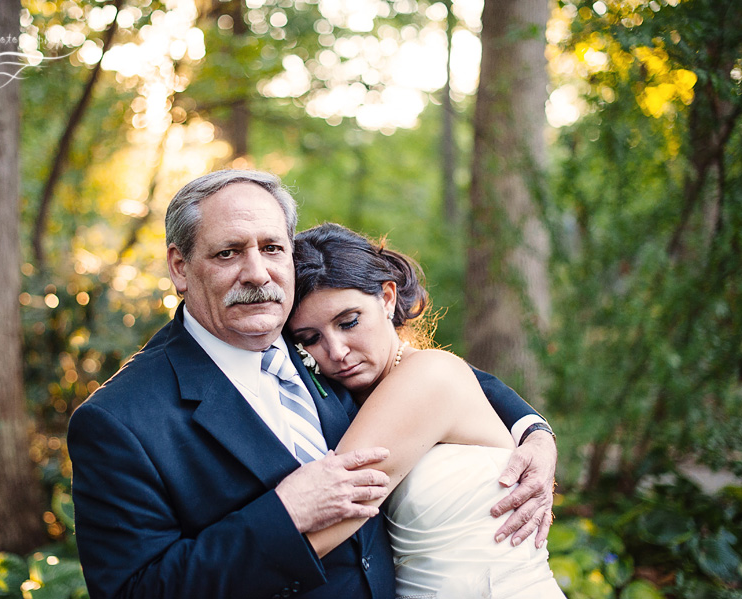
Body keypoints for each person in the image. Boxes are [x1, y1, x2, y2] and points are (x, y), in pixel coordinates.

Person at [67, 169, 558, 599]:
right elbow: (136, 590)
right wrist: (285, 514)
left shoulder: (309, 339)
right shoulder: (120, 420)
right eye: (227, 252)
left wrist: (535, 431)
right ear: (180, 266)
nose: (257, 273)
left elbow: (435, 377)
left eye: (272, 247)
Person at [286, 222, 565, 598]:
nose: (336, 351)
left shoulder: (429, 375)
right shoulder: (345, 399)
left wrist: (199, 568)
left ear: (387, 298)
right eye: (310, 339)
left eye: (349, 322)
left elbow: (326, 526)